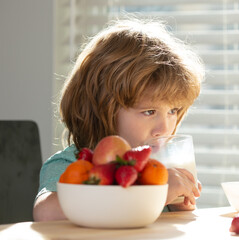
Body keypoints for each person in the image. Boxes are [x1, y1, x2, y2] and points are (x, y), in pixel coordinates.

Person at [33, 17, 204, 221]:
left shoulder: (157, 170)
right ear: (103, 108)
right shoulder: (74, 165)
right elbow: (46, 213)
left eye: (173, 110)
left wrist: (180, 205)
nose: (164, 128)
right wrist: (152, 195)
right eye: (149, 112)